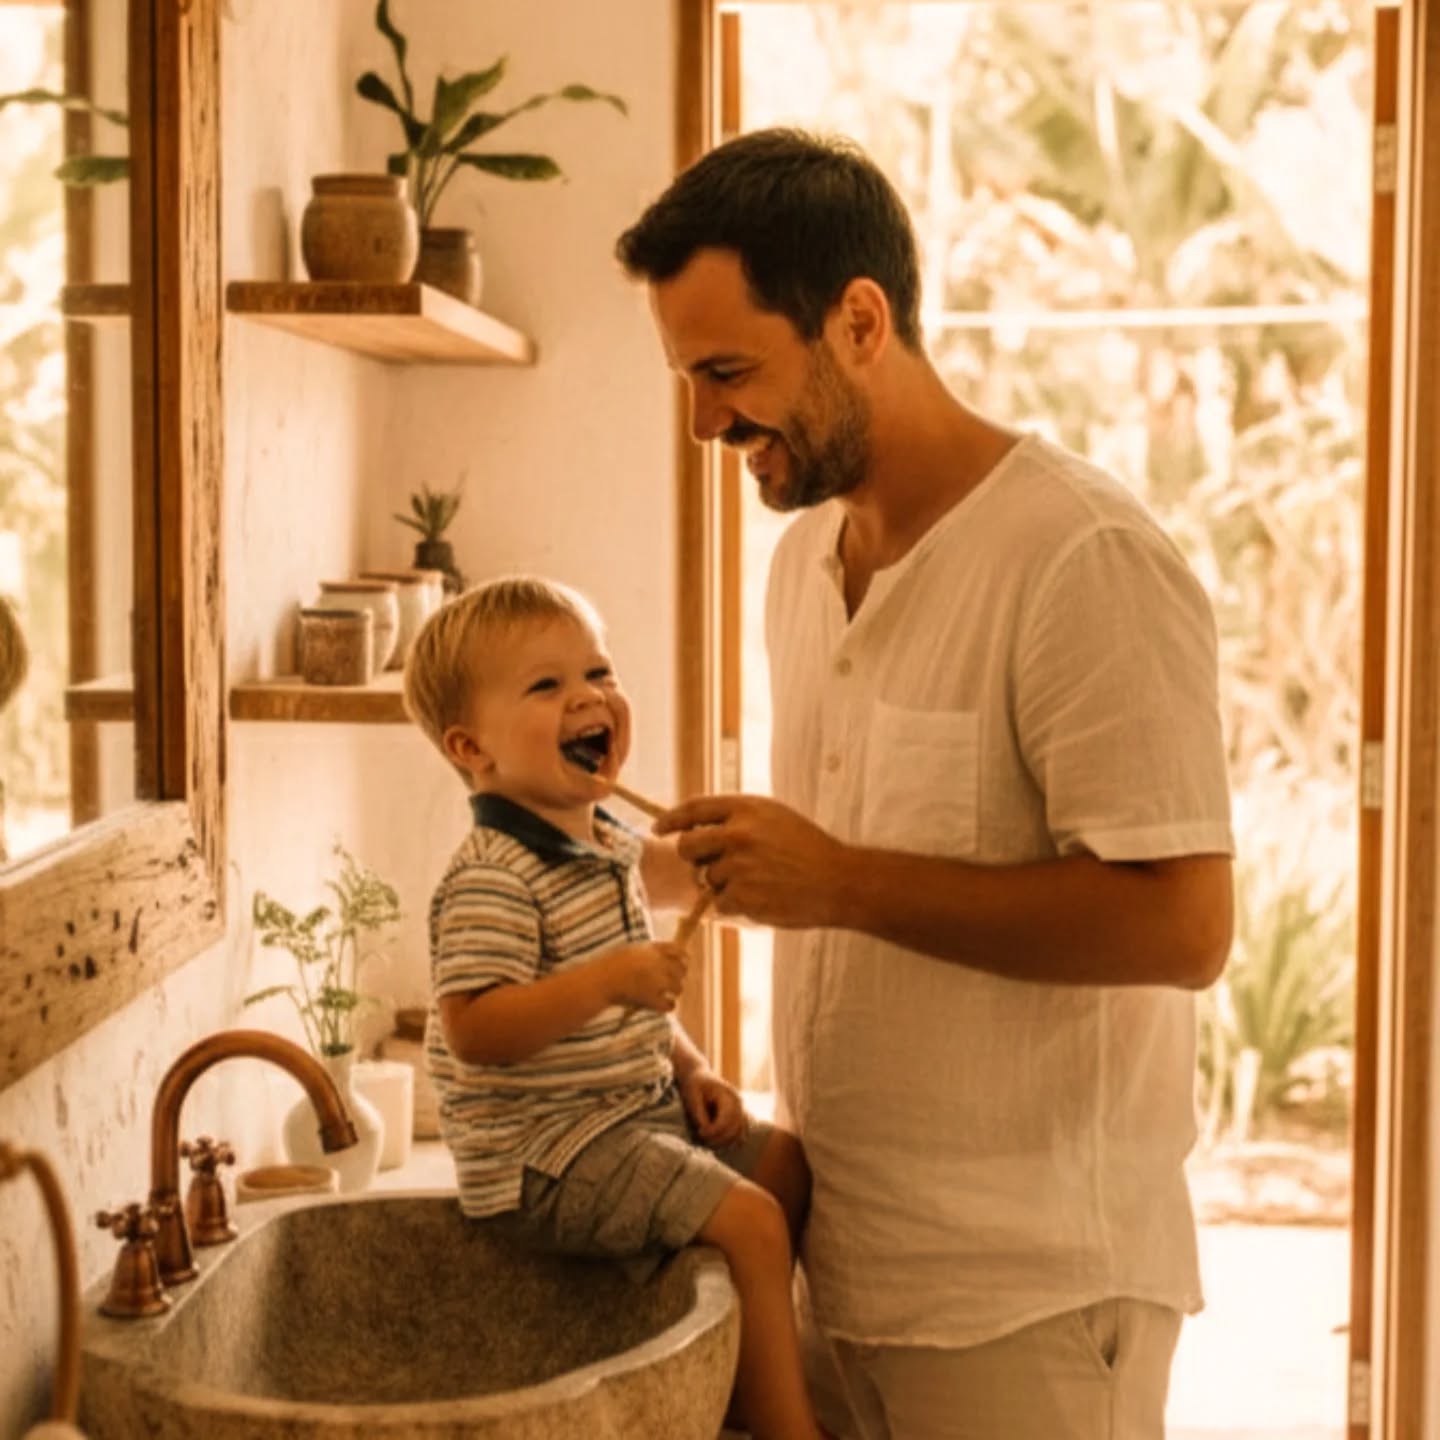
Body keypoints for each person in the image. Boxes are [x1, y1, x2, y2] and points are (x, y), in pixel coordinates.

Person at [615, 128, 1236, 1440]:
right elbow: (845, 866)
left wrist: (836, 883)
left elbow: (1182, 927)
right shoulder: (802, 565)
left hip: (1032, 1310)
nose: (702, 423)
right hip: (842, 1273)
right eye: (685, 377)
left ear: (858, 321)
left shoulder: (1081, 559)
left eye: (727, 372)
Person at [402, 574, 829, 1440]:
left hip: (622, 1118)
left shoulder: (603, 847)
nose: (590, 696)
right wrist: (610, 980)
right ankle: (790, 1430)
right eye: (547, 684)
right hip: (543, 1158)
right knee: (750, 1219)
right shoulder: (493, 874)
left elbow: (626, 1012)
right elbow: (475, 1030)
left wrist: (695, 1068)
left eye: (598, 672)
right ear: (471, 747)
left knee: (782, 1166)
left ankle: (741, 1392)